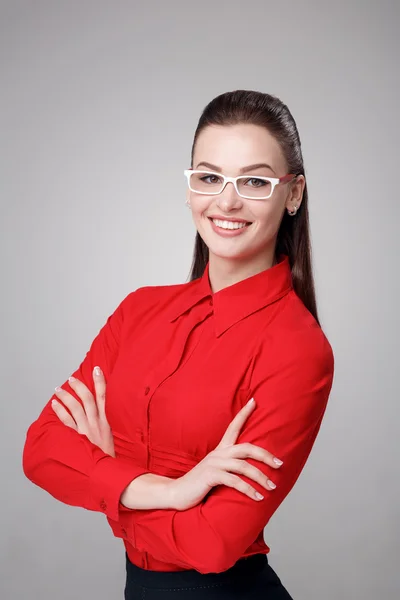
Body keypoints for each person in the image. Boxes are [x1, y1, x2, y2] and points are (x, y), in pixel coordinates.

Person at [22, 89, 335, 599]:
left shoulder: (297, 350)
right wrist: (169, 491)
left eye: (254, 181)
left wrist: (109, 485)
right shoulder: (138, 311)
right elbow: (41, 451)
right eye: (209, 177)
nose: (227, 201)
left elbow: (213, 543)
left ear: (293, 193)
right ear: (189, 188)